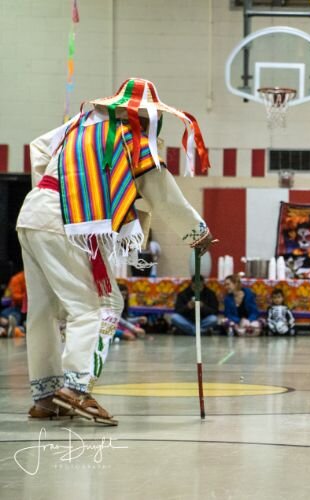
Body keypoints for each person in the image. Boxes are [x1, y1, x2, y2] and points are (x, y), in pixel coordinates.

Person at [16, 78, 215, 425]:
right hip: (69, 219)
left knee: (44, 310)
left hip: (33, 214)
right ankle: (76, 390)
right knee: (100, 305)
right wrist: (197, 233)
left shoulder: (78, 125)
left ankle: (46, 397)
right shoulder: (133, 141)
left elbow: (38, 147)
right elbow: (162, 194)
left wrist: (51, 188)